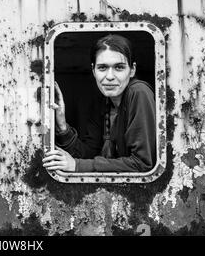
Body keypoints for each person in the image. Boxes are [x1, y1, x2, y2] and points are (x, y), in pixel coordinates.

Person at [43, 34, 156, 174]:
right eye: (102, 68)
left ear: (132, 70)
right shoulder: (104, 101)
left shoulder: (139, 92)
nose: (109, 76)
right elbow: (89, 155)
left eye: (119, 67)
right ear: (93, 70)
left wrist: (77, 166)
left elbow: (143, 163)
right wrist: (63, 127)